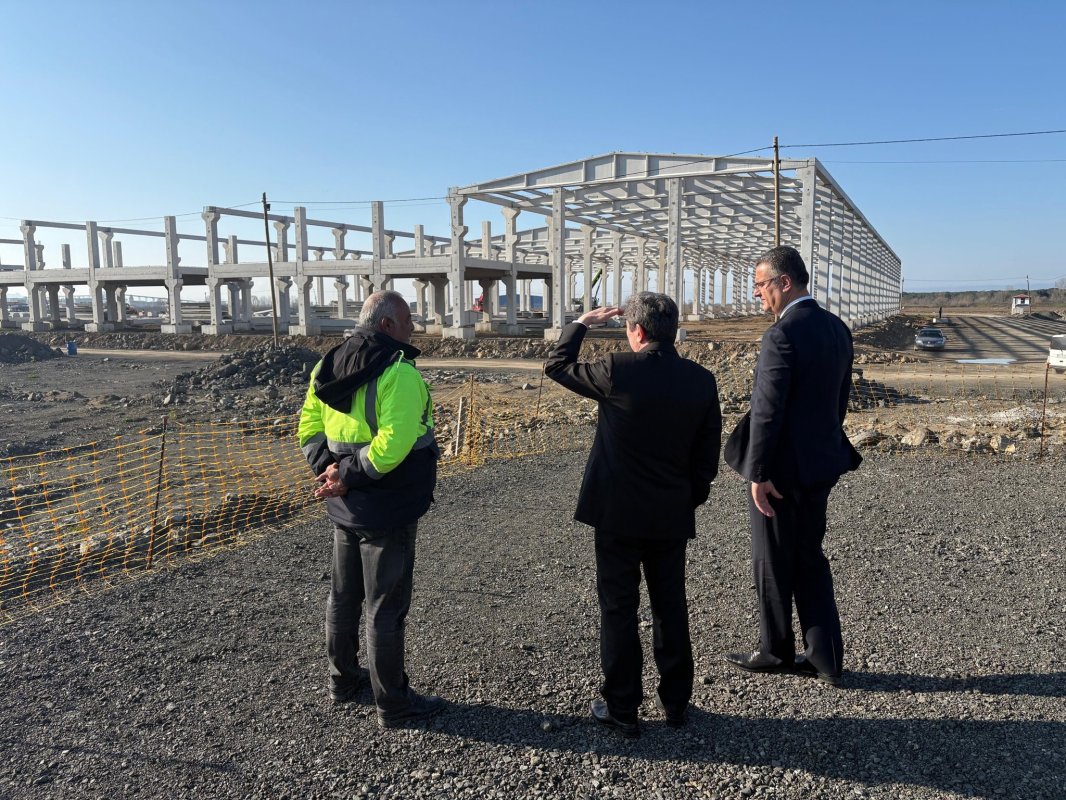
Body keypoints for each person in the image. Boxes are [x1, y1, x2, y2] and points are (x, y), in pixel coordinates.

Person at [545, 293, 722, 737]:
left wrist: (581, 322)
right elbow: (707, 457)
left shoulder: (617, 369)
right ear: (671, 330)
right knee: (670, 606)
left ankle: (622, 707)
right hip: (670, 514)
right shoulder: (701, 380)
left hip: (617, 515)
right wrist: (688, 498)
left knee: (619, 609)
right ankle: (677, 704)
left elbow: (556, 365)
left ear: (637, 331)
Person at [297, 289, 444, 727]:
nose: (413, 327)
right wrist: (347, 474)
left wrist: (329, 471)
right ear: (386, 325)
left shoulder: (328, 363)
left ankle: (343, 682)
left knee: (343, 598)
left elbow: (308, 425)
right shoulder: (398, 371)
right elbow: (394, 442)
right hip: (387, 507)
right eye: (407, 320)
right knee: (386, 607)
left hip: (344, 505)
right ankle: (394, 704)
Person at [723, 245, 861, 686]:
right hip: (821, 464)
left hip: (782, 471)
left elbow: (767, 409)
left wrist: (757, 473)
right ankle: (826, 656)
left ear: (785, 283)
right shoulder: (837, 328)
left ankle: (774, 650)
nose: (758, 295)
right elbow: (839, 402)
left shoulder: (781, 334)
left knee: (772, 558)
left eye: (762, 285)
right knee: (809, 556)